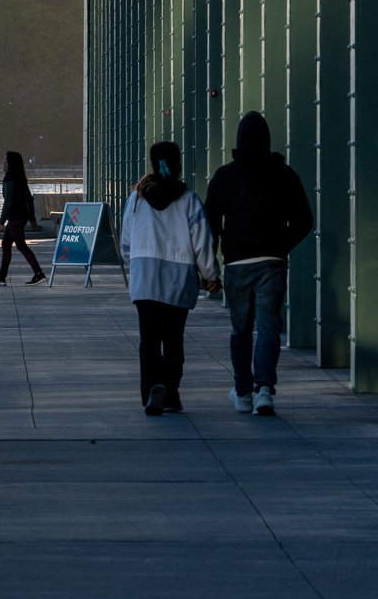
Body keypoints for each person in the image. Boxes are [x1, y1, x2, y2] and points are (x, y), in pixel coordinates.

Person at [205, 110, 314, 417]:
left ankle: (242, 392)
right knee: (268, 328)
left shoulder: (224, 176)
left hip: (237, 263)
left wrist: (209, 265)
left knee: (241, 331)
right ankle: (264, 389)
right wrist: (282, 245)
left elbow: (209, 222)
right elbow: (305, 220)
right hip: (272, 263)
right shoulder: (285, 174)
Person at [119, 140, 219, 416]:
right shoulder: (189, 200)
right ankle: (172, 394)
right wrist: (211, 275)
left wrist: (134, 263)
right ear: (178, 164)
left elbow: (126, 241)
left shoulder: (136, 199)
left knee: (149, 340)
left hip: (145, 279)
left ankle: (153, 388)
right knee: (174, 340)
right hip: (179, 279)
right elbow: (202, 242)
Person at [0, 151, 45, 284]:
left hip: (15, 218)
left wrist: (1, 222)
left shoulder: (9, 179)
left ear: (10, 164)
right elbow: (29, 200)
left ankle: (39, 273)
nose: (3, 163)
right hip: (20, 216)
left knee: (21, 245)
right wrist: (32, 220)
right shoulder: (20, 179)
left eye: (5, 160)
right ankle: (2, 276)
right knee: (6, 244)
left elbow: (8, 202)